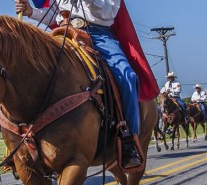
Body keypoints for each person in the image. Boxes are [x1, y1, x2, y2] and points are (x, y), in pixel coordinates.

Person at [15, 0, 150, 168]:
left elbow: (108, 12)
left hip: (97, 35)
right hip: (63, 32)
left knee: (127, 76)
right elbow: (54, 13)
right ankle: (23, 137)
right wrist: (31, 12)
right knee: (32, 66)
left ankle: (129, 139)